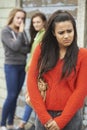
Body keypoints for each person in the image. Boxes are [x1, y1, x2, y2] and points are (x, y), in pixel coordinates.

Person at [26, 10, 87, 130]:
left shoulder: (83, 55)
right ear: (53, 33)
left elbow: (81, 90)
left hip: (71, 117)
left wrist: (61, 120)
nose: (66, 36)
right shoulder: (41, 50)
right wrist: (45, 118)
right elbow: (31, 82)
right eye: (61, 32)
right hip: (44, 115)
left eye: (70, 31)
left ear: (74, 30)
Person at [0, 8, 30, 130]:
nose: (20, 20)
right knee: (11, 95)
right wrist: (21, 34)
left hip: (21, 66)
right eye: (18, 17)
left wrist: (19, 47)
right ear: (12, 17)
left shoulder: (22, 32)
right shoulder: (5, 31)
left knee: (16, 95)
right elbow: (15, 46)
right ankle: (2, 123)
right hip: (11, 67)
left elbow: (27, 48)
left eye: (23, 18)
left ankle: (11, 122)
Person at [16, 12, 47, 130]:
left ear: (44, 22)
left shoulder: (44, 35)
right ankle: (28, 123)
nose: (35, 24)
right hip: (30, 70)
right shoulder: (38, 34)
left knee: (32, 98)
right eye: (34, 22)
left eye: (38, 22)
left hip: (36, 72)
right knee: (31, 98)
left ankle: (23, 124)